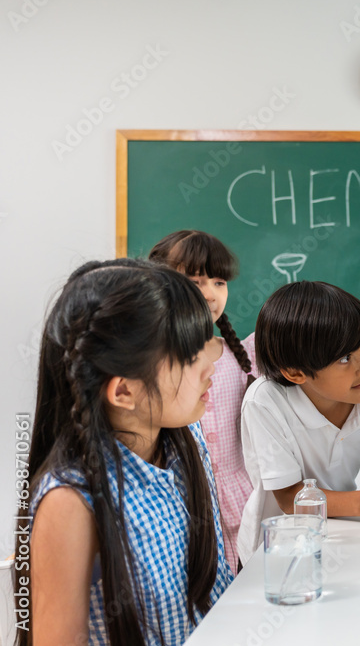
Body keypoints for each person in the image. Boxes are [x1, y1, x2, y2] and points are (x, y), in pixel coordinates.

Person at [19, 260, 232, 646]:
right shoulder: (70, 501)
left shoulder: (186, 441)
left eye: (206, 342)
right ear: (123, 392)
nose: (211, 363)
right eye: (189, 356)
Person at [237, 281, 360, 563]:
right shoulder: (265, 403)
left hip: (338, 531)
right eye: (345, 358)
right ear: (296, 372)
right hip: (277, 547)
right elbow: (289, 498)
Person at [149, 229, 256, 574]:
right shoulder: (149, 364)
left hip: (243, 504)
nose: (211, 294)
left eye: (219, 282)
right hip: (182, 507)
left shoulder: (242, 355)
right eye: (196, 282)